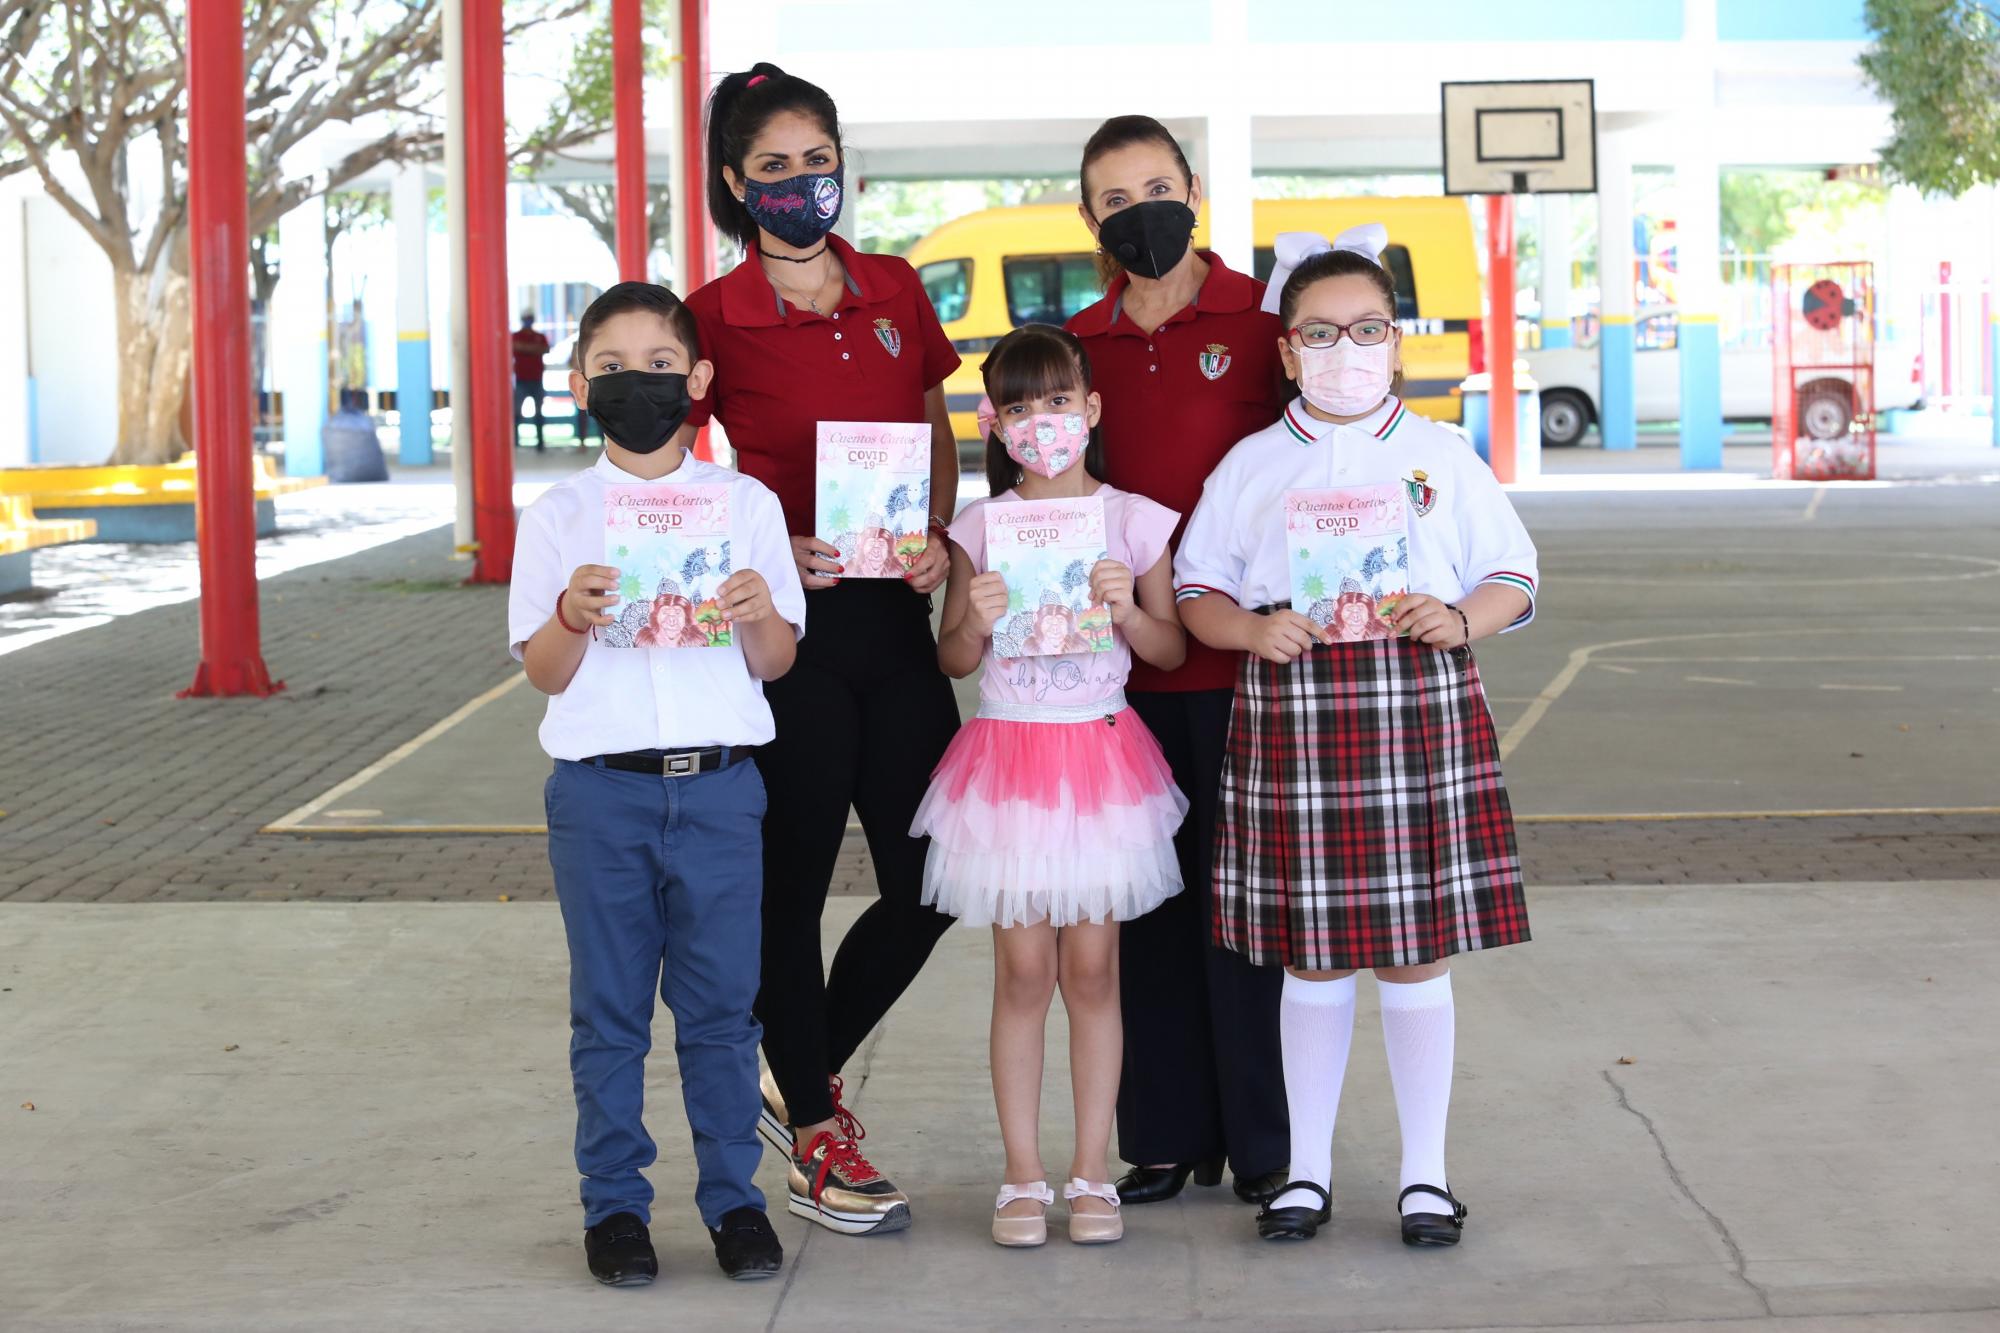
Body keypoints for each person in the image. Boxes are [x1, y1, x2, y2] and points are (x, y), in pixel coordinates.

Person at [1172, 227, 1539, 1246]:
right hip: (1292, 713)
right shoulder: (1250, 465)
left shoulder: (1439, 455)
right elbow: (1197, 585)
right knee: (1311, 959)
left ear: (1396, 339)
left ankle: (1425, 1177)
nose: (1344, 349)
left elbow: (1511, 574)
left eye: (1365, 329)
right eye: (1319, 333)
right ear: (1285, 350)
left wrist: (1460, 617)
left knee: (1414, 958)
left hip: (1413, 706)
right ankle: (1307, 1173)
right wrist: (1249, 628)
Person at [684, 62, 963, 1237]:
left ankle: (792, 1065)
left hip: (894, 624)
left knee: (936, 878)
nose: (804, 185)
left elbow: (937, 429)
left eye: (818, 160)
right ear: (736, 186)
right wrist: (763, 538)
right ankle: (814, 1129)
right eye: (775, 170)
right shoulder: (710, 315)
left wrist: (937, 540)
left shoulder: (896, 287)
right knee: (789, 892)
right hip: (789, 639)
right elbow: (676, 479)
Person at [506, 281, 806, 1285]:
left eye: (661, 365)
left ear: (699, 380)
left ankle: (733, 1200)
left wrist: (759, 606)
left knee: (723, 1011)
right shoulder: (558, 514)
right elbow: (544, 671)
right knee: (611, 1013)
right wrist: (572, 613)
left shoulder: (744, 505)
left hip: (721, 790)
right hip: (602, 796)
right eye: (614, 367)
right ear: (582, 382)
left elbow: (772, 662)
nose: (639, 382)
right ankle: (615, 1209)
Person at [915, 323, 1188, 1247]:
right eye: (1021, 407)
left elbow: (1168, 645)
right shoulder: (980, 528)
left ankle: (1091, 1171)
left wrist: (1124, 607)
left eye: (1059, 400)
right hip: (1009, 762)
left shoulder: (1133, 520)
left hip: (1103, 757)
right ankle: (1023, 1174)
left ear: (1091, 408)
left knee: (1093, 968)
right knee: (1023, 970)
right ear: (994, 423)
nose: (1043, 421)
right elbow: (953, 655)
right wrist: (977, 622)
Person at [1064, 113, 1291, 1207]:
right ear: (1088, 218)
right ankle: (1159, 1136)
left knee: (1241, 911)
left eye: (1155, 186)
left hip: (1248, 668)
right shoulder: (1076, 344)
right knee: (1143, 909)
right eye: (1114, 199)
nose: (1138, 211)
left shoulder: (1262, 319)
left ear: (1192, 188)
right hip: (1118, 677)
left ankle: (1261, 1145)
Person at [513, 311, 552, 449]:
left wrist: (525, 348)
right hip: (521, 379)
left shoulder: (539, 336)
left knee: (539, 412)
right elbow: (515, 347)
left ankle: (540, 443)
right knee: (516, 412)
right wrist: (534, 349)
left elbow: (546, 349)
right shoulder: (516, 336)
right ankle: (515, 442)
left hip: (536, 379)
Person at [634, 593, 711, 649]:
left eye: (678, 613)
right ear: (655, 614)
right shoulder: (644, 640)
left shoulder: (697, 641)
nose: (671, 621)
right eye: (665, 612)